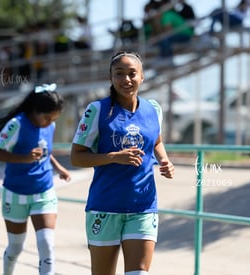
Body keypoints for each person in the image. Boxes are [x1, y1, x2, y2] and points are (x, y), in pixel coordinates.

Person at [70, 51, 175, 275]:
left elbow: (156, 140)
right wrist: (114, 157)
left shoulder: (153, 109)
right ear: (111, 77)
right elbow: (76, 157)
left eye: (132, 73)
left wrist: (164, 160)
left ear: (142, 77)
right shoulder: (97, 110)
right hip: (105, 206)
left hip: (143, 206)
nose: (126, 79)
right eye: (119, 74)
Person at [0, 83, 71, 275]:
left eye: (54, 119)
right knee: (16, 247)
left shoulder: (50, 126)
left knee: (47, 244)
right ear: (35, 110)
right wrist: (24, 158)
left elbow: (44, 151)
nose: (50, 122)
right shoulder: (17, 124)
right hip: (15, 194)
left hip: (44, 192)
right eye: (47, 117)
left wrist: (59, 168)